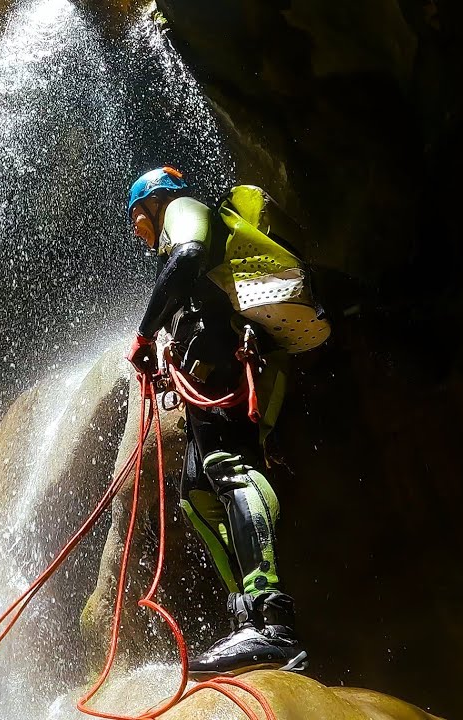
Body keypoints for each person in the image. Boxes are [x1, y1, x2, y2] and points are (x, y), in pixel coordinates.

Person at [124, 167, 327, 674]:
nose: (139, 232)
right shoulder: (177, 244)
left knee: (230, 468)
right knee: (195, 494)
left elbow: (190, 255)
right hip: (207, 375)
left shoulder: (183, 209)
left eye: (138, 218)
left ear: (155, 202)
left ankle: (273, 620)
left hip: (227, 365)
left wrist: (145, 335)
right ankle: (247, 619)